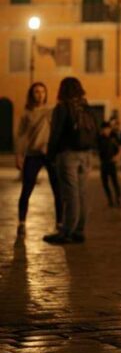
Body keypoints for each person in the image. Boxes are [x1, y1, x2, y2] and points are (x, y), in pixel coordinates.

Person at [43, 77, 98, 244]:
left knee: (70, 194)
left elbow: (55, 134)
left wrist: (50, 155)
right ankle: (79, 231)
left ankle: (66, 231)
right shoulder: (87, 107)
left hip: (68, 155)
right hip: (86, 155)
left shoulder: (62, 108)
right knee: (81, 193)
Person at [15, 82, 63, 237]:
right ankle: (21, 223)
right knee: (26, 190)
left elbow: (58, 130)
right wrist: (19, 155)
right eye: (36, 91)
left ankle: (60, 223)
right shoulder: (26, 113)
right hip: (32, 155)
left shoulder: (52, 111)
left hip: (50, 155)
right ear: (31, 94)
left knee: (58, 190)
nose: (40, 94)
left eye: (43, 91)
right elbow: (21, 136)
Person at [97, 121, 121, 207]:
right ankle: (110, 199)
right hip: (104, 163)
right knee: (105, 183)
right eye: (104, 129)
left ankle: (118, 198)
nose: (106, 131)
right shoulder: (100, 138)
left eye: (107, 129)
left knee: (115, 182)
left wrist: (117, 157)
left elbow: (120, 148)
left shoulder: (114, 136)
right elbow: (96, 149)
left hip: (112, 162)